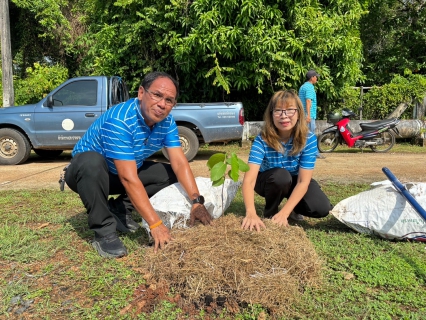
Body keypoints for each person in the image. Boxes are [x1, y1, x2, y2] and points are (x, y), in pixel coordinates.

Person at [65, 71, 212, 258]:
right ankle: (104, 231)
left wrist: (196, 201)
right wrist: (156, 224)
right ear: (141, 93)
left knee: (169, 173)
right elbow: (128, 177)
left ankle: (120, 209)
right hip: (87, 175)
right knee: (91, 162)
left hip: (121, 172)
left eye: (169, 100)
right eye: (157, 95)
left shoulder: (166, 123)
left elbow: (180, 163)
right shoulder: (120, 120)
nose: (162, 104)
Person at [241, 89, 332, 230]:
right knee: (281, 176)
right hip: (268, 179)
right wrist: (250, 212)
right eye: (278, 111)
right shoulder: (262, 139)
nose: (284, 116)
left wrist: (286, 212)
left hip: (295, 179)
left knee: (321, 207)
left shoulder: (309, 139)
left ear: (299, 113)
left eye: (290, 110)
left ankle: (292, 210)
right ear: (271, 115)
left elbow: (303, 181)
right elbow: (249, 179)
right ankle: (271, 213)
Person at [298, 69, 325, 159]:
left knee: (305, 134)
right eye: (316, 76)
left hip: (302, 115)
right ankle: (315, 153)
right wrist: (308, 115)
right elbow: (308, 101)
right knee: (311, 135)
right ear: (312, 77)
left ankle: (304, 152)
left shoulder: (302, 87)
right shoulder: (309, 87)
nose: (317, 78)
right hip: (308, 115)